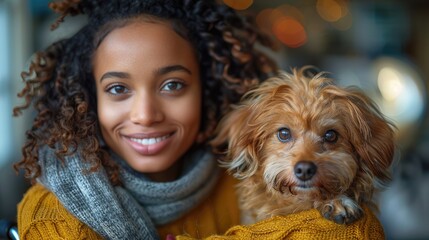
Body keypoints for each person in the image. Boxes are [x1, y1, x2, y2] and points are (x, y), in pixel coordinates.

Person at [13, 0, 277, 239]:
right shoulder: (51, 219)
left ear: (206, 90)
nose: (146, 115)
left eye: (172, 85)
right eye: (118, 89)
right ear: (90, 101)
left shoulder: (253, 188)